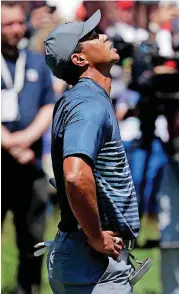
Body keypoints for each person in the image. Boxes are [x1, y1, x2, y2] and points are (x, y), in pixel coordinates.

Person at [44, 10, 140, 294]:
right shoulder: (89, 103)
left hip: (83, 259)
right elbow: (75, 175)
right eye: (93, 36)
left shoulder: (86, 98)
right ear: (79, 58)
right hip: (91, 263)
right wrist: (96, 236)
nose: (105, 36)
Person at [1, 2, 55, 294]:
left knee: (33, 236)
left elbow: (48, 104)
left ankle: (28, 288)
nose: (16, 30)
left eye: (19, 23)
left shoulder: (36, 61)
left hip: (29, 162)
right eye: (7, 24)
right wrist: (8, 143)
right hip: (1, 162)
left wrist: (24, 140)